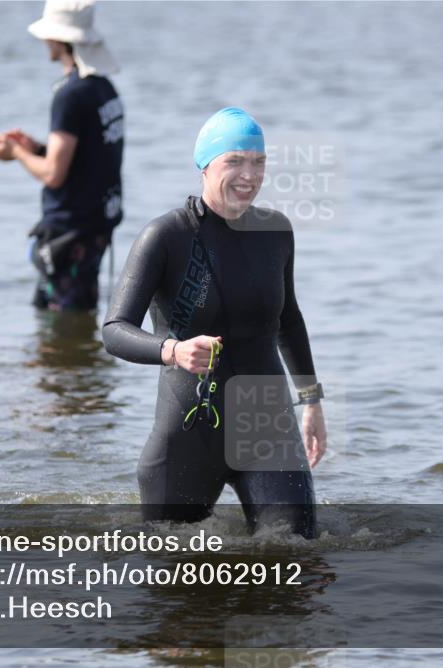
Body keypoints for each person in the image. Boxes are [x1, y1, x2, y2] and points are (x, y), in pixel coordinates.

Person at [102, 107, 326, 539]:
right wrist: (172, 350)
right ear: (205, 166)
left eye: (258, 161)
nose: (249, 174)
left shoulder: (275, 231)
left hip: (266, 422)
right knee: (174, 581)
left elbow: (289, 320)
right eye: (234, 161)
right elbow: (114, 330)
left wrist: (312, 400)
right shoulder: (166, 236)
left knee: (296, 558)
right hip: (188, 428)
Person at [0, 0, 124, 311]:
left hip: (71, 233)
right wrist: (37, 148)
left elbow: (52, 174)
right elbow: (90, 153)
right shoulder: (103, 88)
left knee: (66, 320)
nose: (44, 41)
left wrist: (17, 152)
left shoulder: (70, 95)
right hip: (96, 223)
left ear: (60, 39)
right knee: (68, 318)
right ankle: (77, 359)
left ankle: (70, 360)